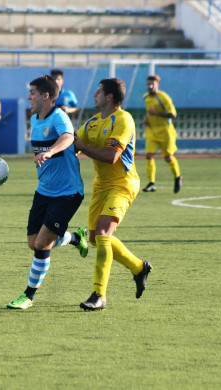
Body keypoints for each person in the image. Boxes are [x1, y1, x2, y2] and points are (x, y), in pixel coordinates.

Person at [7, 75, 88, 310]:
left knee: (42, 244)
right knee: (34, 243)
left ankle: (28, 296)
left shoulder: (60, 116)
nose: (28, 96)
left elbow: (68, 138)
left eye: (32, 92)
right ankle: (75, 237)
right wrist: (41, 155)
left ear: (45, 96)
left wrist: (50, 152)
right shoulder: (35, 118)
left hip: (68, 192)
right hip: (44, 191)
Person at [74, 78, 152, 311]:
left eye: (98, 91)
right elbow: (74, 143)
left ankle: (99, 295)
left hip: (123, 183)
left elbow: (111, 156)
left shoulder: (123, 120)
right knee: (94, 239)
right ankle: (139, 268)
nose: (94, 94)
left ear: (109, 97)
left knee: (104, 233)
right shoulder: (93, 123)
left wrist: (81, 147)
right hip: (101, 185)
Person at [142, 74, 182, 193]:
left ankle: (177, 177)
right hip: (152, 131)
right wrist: (147, 118)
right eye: (148, 84)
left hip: (165, 132)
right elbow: (149, 112)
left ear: (157, 85)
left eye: (152, 84)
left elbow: (173, 115)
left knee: (168, 157)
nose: (149, 86)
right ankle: (151, 183)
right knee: (149, 156)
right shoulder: (145, 97)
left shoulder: (164, 98)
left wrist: (157, 114)